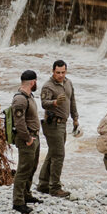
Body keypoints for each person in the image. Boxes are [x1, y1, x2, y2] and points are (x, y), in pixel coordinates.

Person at [34, 59, 79, 198]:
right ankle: (55, 187)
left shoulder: (68, 83)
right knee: (59, 155)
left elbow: (72, 101)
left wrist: (75, 118)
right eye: (58, 72)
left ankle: (43, 184)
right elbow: (43, 103)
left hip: (63, 123)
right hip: (52, 124)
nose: (61, 75)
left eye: (63, 72)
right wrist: (54, 102)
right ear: (53, 71)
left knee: (53, 153)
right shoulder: (48, 86)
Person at [9, 70, 43, 214]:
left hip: (34, 137)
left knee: (32, 166)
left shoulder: (29, 96)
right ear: (33, 82)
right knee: (23, 170)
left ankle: (26, 194)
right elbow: (19, 122)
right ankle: (18, 202)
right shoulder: (20, 99)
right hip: (27, 139)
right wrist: (28, 139)